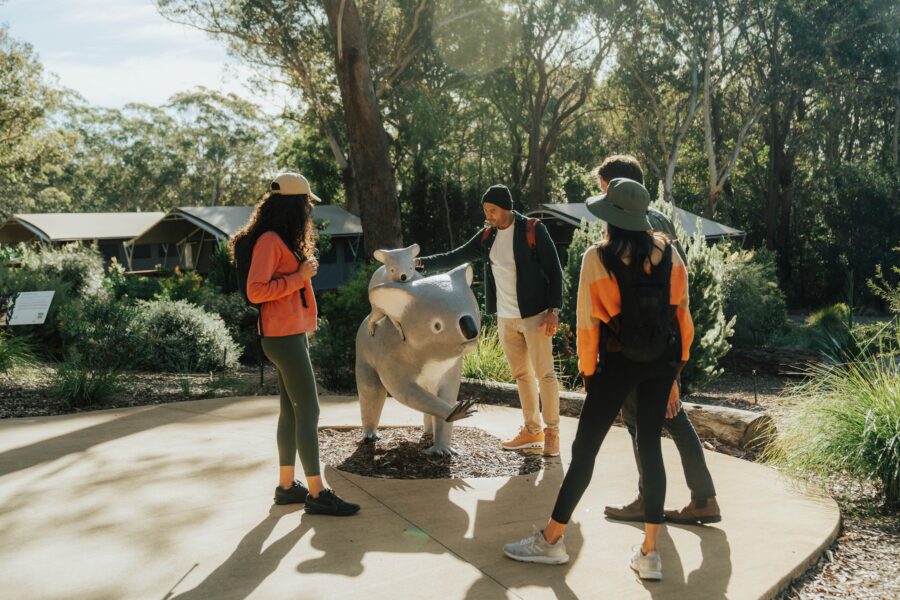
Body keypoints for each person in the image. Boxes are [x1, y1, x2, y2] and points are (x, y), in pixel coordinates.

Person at [503, 178, 694, 581]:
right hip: (661, 360)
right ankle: (650, 553)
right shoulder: (671, 253)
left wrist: (589, 374)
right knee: (651, 450)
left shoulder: (598, 256)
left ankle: (552, 540)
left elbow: (588, 324)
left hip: (617, 362)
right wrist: (677, 368)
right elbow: (683, 316)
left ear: (610, 217)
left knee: (585, 451)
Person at [593, 155, 720, 525]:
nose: (602, 200)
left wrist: (672, 372)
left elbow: (669, 296)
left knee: (641, 422)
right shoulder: (660, 223)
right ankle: (703, 498)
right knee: (673, 417)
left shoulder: (641, 227)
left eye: (605, 190)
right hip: (663, 346)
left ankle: (650, 499)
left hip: (644, 347)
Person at [232, 172, 360, 517]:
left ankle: (287, 487)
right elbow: (256, 290)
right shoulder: (270, 241)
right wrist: (299, 278)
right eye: (306, 203)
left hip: (288, 334)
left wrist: (300, 272)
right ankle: (317, 492)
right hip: (282, 336)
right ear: (293, 204)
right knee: (310, 409)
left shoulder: (279, 239)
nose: (308, 209)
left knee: (291, 411)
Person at [417, 184, 565, 457]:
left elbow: (555, 271)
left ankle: (552, 432)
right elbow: (456, 255)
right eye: (486, 210)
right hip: (506, 318)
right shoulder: (488, 236)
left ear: (506, 208)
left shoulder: (532, 229)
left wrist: (553, 309)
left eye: (492, 210)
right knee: (522, 375)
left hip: (535, 315)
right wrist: (422, 262)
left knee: (544, 374)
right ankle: (532, 430)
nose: (488, 215)